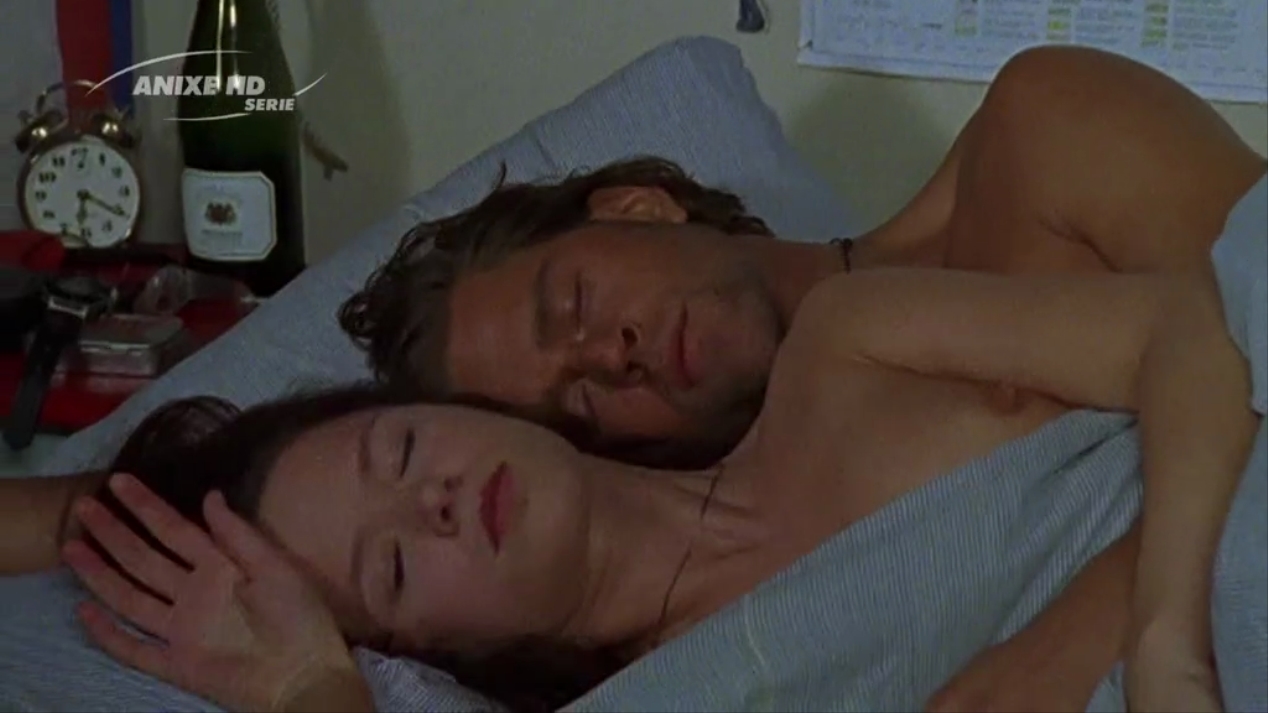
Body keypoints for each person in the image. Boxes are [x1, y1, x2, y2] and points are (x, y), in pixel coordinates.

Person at [333, 44, 1266, 710]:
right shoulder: (767, 574)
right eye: (577, 400)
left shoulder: (1043, 133)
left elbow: (1253, 330)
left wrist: (1083, 633)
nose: (611, 355)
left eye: (574, 303)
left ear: (638, 208)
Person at [5, 258, 1258, 711]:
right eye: (391, 563)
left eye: (403, 449)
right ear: (428, 652)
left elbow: (1204, 329)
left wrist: (1137, 628)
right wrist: (309, 694)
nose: (430, 500)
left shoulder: (848, 343)